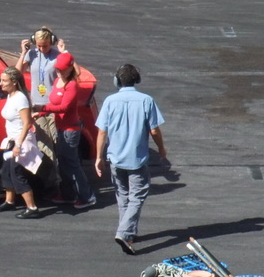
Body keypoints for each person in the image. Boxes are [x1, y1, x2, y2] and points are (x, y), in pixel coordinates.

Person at [94, 64, 168, 255]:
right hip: (137, 159)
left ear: (117, 81)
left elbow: (102, 131)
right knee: (137, 196)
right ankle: (123, 231)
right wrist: (161, 149)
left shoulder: (110, 101)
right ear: (137, 80)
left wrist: (98, 157)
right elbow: (154, 130)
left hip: (116, 158)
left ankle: (128, 233)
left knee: (122, 196)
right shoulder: (146, 100)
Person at [33, 52, 97, 208]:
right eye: (57, 69)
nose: (59, 72)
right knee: (63, 163)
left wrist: (42, 108)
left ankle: (87, 196)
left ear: (70, 69)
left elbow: (64, 107)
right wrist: (40, 113)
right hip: (61, 128)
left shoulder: (72, 85)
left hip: (70, 130)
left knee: (72, 164)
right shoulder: (57, 81)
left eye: (62, 69)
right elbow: (53, 103)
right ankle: (68, 194)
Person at [16, 26, 64, 191]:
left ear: (51, 42)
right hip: (37, 107)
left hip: (55, 107)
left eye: (45, 46)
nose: (42, 49)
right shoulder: (32, 54)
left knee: (58, 143)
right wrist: (23, 52)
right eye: (39, 45)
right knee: (45, 146)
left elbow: (71, 75)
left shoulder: (57, 56)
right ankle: (54, 183)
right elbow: (17, 73)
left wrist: (64, 53)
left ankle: (61, 180)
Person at [0, 66, 42, 219]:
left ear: (14, 82)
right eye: (0, 80)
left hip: (21, 142)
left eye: (4, 81)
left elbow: (27, 124)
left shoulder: (20, 98)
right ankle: (10, 201)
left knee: (17, 173)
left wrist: (18, 145)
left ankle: (32, 207)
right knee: (7, 170)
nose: (1, 84)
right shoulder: (11, 95)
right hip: (12, 141)